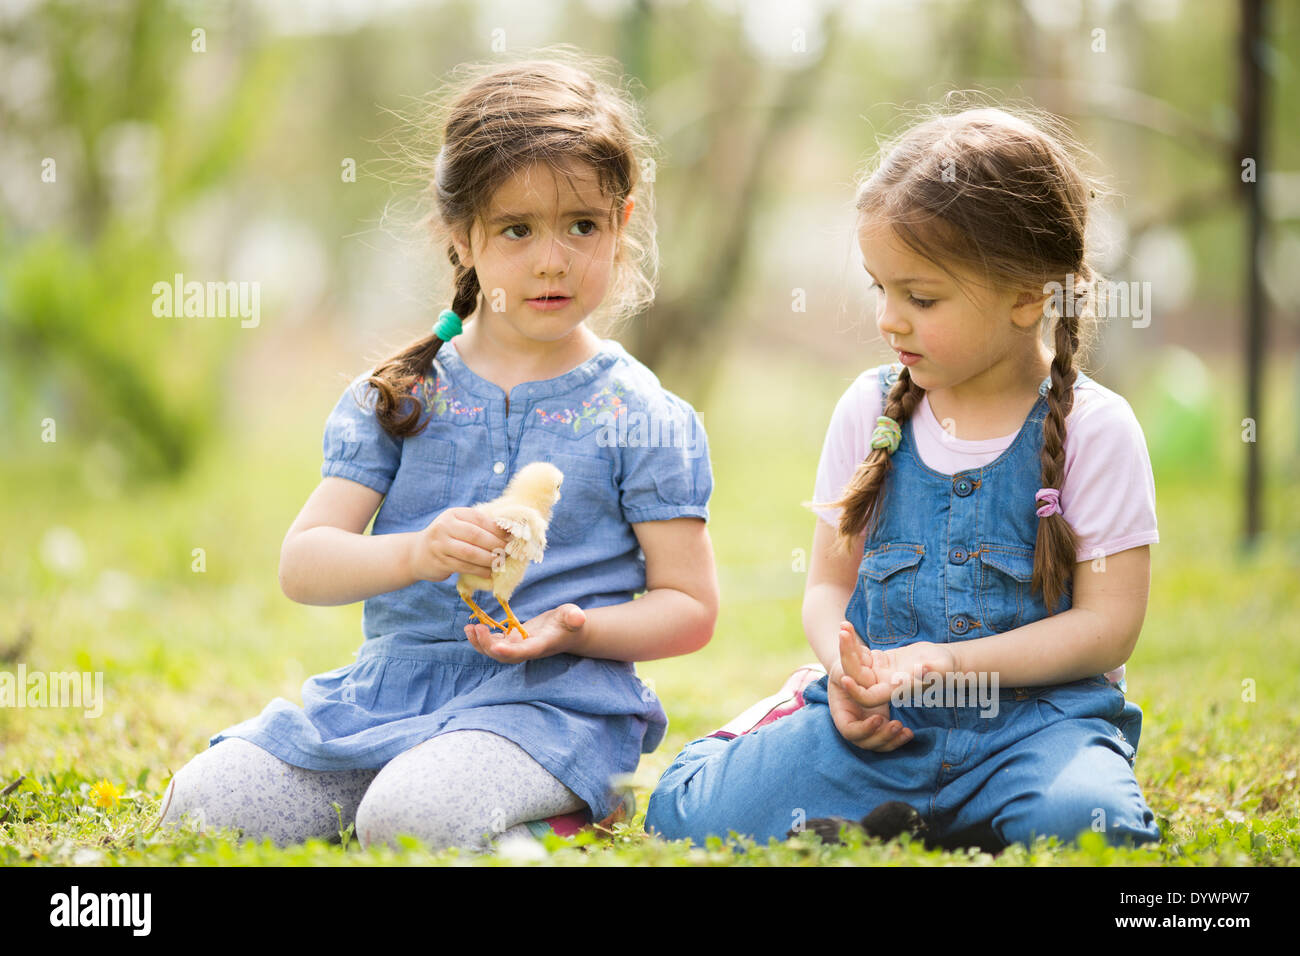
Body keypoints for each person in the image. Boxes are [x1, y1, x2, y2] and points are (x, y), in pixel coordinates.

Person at [156, 55, 718, 853]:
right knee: (206, 805)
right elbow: (305, 564)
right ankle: (430, 794)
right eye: (517, 229)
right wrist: (416, 550)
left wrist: (573, 628)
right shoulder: (401, 395)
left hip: (552, 705)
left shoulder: (642, 414)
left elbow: (690, 608)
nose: (552, 259)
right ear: (462, 237)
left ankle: (568, 806)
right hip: (387, 695)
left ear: (623, 223)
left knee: (411, 818)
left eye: (582, 225)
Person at [645, 105, 1162, 851]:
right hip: (885, 732)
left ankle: (940, 818)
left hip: (1035, 730)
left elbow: (1108, 626)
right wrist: (844, 673)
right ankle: (867, 779)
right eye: (878, 289)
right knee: (684, 814)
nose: (890, 319)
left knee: (1091, 831)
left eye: (921, 298)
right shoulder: (869, 410)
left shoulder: (1096, 429)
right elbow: (828, 587)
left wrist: (949, 662)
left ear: (1028, 297)